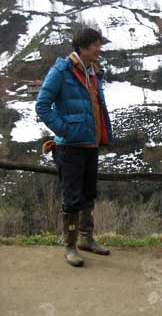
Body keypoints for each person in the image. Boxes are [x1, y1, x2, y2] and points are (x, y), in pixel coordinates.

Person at [35, 28, 113, 267]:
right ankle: (69, 245)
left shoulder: (93, 71)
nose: (99, 49)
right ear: (82, 47)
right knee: (72, 198)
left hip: (90, 144)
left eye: (99, 44)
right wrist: (65, 130)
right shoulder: (61, 71)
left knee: (88, 194)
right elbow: (42, 105)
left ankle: (86, 239)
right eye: (95, 45)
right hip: (70, 147)